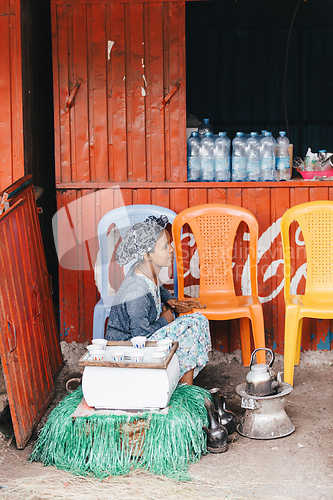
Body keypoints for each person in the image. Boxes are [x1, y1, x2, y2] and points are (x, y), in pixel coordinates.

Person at [105, 215, 211, 385]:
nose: (172, 249)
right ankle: (184, 388)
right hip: (128, 350)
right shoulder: (136, 292)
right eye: (165, 247)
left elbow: (157, 288)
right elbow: (141, 336)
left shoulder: (146, 272)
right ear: (147, 255)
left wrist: (169, 300)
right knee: (190, 329)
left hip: (143, 337)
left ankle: (181, 380)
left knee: (198, 320)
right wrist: (164, 320)